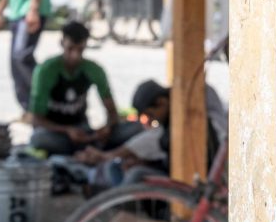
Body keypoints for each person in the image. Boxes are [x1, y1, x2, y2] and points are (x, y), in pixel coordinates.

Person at [75, 79, 228, 185]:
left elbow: (155, 139)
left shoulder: (195, 103)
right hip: (182, 168)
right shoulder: (171, 114)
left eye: (151, 115)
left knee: (136, 175)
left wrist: (109, 156)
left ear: (162, 103)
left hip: (202, 174)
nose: (151, 121)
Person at [27, 22, 141, 155]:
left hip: (83, 130)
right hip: (55, 131)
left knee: (136, 128)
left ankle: (89, 146)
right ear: (62, 43)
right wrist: (66, 130)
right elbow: (35, 119)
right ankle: (88, 148)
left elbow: (112, 112)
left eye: (80, 50)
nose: (75, 56)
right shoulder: (46, 71)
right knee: (38, 139)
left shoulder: (94, 70)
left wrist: (107, 128)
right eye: (70, 49)